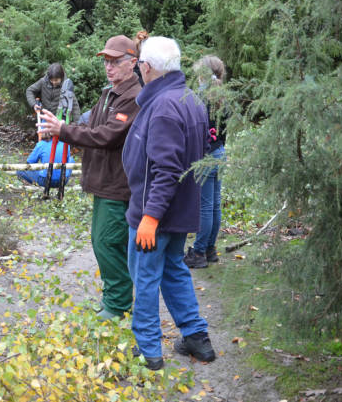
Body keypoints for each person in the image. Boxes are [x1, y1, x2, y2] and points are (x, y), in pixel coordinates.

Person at [122, 35, 216, 370]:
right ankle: (196, 336)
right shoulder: (189, 98)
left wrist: (149, 216)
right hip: (179, 211)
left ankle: (148, 350)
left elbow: (166, 169)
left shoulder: (162, 106)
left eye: (139, 65)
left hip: (156, 214)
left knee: (145, 277)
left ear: (146, 68)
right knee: (174, 269)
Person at [38, 35, 142, 323]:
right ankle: (113, 300)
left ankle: (118, 305)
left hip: (117, 185)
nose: (109, 67)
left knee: (108, 242)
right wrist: (58, 129)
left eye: (116, 61)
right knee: (101, 241)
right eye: (106, 61)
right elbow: (89, 124)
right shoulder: (110, 93)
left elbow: (106, 136)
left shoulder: (132, 98)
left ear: (132, 63)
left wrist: (65, 130)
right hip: (101, 182)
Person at [184, 55, 228, 269]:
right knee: (215, 203)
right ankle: (210, 249)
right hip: (220, 152)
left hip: (206, 156)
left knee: (206, 206)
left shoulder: (198, 96)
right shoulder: (223, 95)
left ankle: (200, 251)